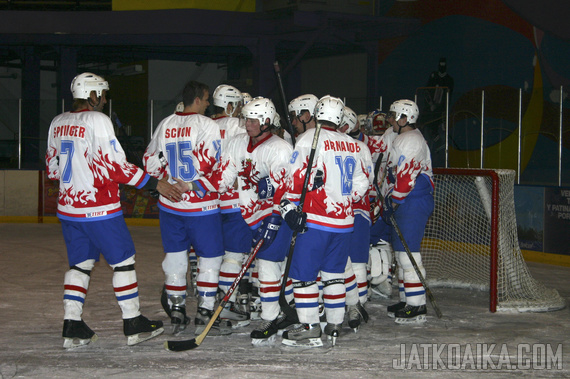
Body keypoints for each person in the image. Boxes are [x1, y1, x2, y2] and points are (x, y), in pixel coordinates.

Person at [46, 72, 182, 349]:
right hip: (99, 209)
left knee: (80, 265)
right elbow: (116, 167)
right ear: (93, 95)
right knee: (124, 261)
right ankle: (133, 322)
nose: (105, 100)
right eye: (103, 95)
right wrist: (155, 183)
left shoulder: (57, 122)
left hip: (69, 209)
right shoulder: (98, 120)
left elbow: (52, 169)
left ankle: (72, 324)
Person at [143, 80, 231, 336]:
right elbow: (211, 162)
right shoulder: (207, 125)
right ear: (198, 99)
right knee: (210, 258)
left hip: (170, 204)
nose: (207, 105)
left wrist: (167, 179)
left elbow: (150, 162)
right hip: (201, 206)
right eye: (206, 100)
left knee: (175, 258)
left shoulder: (165, 123)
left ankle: (177, 310)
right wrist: (190, 184)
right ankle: (205, 311)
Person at [279, 95, 369, 347]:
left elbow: (296, 177)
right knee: (333, 274)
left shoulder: (310, 138)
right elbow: (362, 181)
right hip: (343, 222)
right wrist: (345, 197)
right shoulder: (352, 144)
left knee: (304, 275)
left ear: (317, 114)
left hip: (316, 220)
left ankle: (309, 327)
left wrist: (289, 205)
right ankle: (334, 323)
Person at [212, 97, 294, 345]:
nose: (247, 124)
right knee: (249, 261)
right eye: (246, 118)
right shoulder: (237, 143)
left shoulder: (280, 148)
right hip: (249, 212)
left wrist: (275, 218)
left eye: (253, 120)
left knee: (268, 264)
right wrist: (197, 187)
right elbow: (223, 177)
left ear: (267, 122)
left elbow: (286, 189)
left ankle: (271, 318)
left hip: (277, 214)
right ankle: (284, 310)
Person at [379, 99, 434, 324]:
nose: (390, 119)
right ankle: (407, 299)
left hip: (413, 200)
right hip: (407, 200)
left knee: (409, 253)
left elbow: (405, 177)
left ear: (405, 118)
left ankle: (416, 304)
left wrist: (393, 202)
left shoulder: (410, 140)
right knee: (401, 253)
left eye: (394, 115)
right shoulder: (403, 138)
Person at [210, 84, 251, 326]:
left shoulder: (203, 126)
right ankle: (228, 302)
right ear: (230, 105)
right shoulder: (238, 126)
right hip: (236, 199)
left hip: (209, 201)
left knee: (216, 256)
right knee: (235, 256)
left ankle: (211, 303)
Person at [338, 106, 373, 331]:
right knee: (348, 260)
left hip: (352, 209)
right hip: (346, 209)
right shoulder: (356, 146)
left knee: (355, 260)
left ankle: (356, 304)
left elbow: (365, 179)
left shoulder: (358, 147)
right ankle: (352, 304)